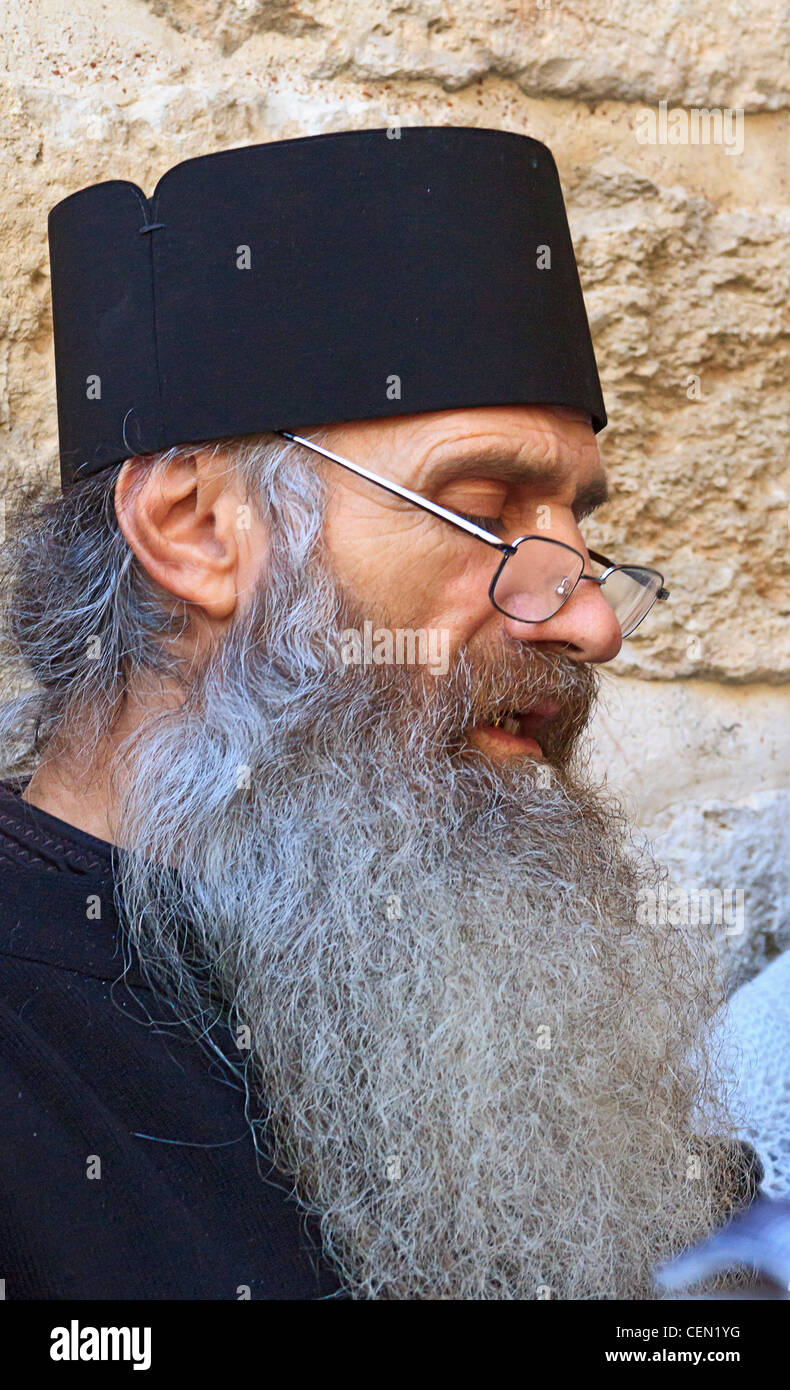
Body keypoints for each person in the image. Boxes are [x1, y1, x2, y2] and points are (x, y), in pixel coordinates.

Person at [0, 126, 755, 1300]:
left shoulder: (496, 996)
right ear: (197, 530)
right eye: (488, 513)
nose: (589, 622)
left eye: (577, 534)